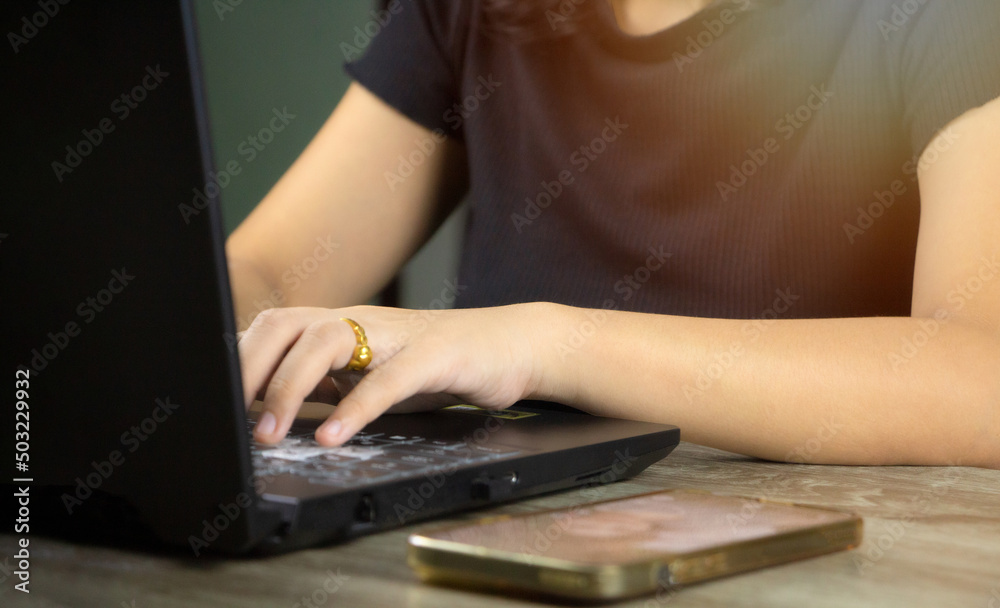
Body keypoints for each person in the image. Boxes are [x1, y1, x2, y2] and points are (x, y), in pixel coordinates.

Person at [225, 0, 1000, 468]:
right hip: (499, 546)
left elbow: (983, 378)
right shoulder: (475, 13)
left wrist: (544, 346)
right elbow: (269, 273)